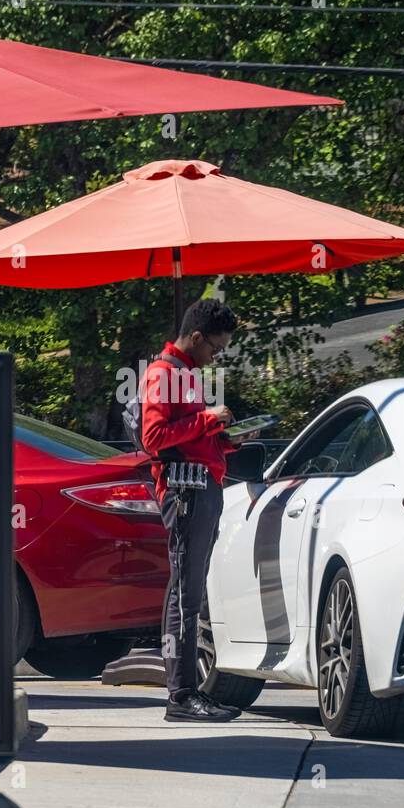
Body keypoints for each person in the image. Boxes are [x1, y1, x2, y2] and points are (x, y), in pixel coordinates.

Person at [142, 298, 247, 722]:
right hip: (185, 492)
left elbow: (184, 435)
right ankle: (181, 695)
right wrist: (208, 421)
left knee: (188, 588)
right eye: (215, 350)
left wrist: (224, 438)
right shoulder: (164, 374)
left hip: (201, 487)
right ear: (198, 337)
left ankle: (185, 692)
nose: (214, 358)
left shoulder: (184, 375)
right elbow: (154, 437)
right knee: (185, 593)